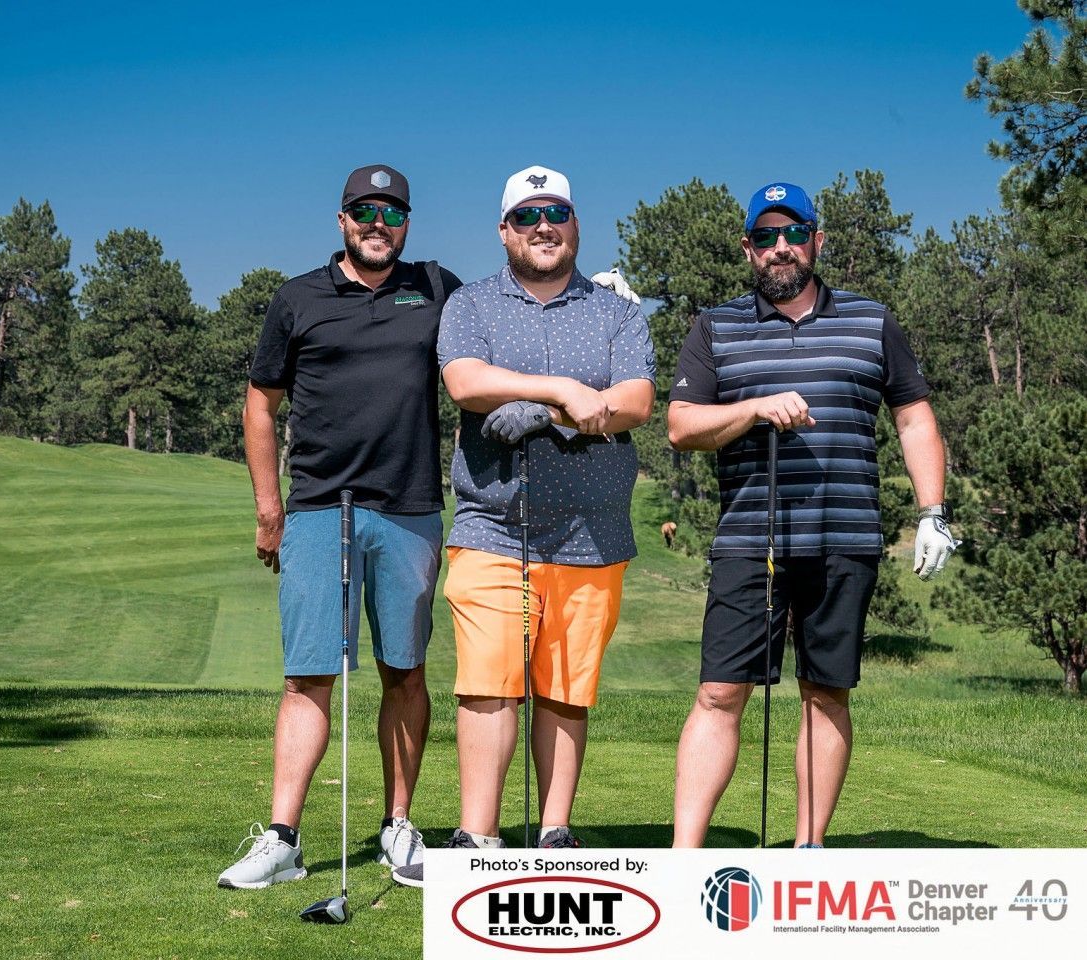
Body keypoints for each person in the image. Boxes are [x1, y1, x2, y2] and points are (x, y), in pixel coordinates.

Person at [667, 181, 958, 848]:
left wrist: (932, 512)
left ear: (816, 241)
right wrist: (753, 409)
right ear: (747, 248)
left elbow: (913, 420)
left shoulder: (870, 320)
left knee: (825, 692)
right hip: (749, 540)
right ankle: (684, 857)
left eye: (793, 233)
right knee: (719, 692)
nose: (781, 247)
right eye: (765, 236)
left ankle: (808, 846)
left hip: (844, 537)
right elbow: (681, 426)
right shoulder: (714, 326)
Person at [394, 165, 655, 886]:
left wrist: (543, 413)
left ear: (575, 226)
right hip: (492, 524)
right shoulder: (471, 304)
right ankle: (478, 835)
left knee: (565, 687)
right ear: (504, 231)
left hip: (592, 529)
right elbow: (464, 382)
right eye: (528, 216)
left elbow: (634, 400)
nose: (544, 227)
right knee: (488, 681)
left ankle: (554, 833)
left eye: (557, 214)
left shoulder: (616, 312)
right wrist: (564, 390)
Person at [217, 164, 460, 889]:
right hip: (321, 508)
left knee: (404, 670)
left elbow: (497, 334)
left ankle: (398, 826)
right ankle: (283, 840)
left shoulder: (437, 287)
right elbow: (260, 405)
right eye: (365, 212)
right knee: (307, 675)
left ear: (407, 223)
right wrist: (269, 507)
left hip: (410, 508)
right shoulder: (298, 299)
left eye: (392, 213)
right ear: (342, 219)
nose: (378, 224)